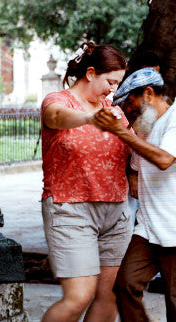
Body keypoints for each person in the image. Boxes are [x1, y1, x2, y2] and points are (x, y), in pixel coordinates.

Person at [92, 68, 176, 322]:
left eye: (130, 102)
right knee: (125, 286)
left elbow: (164, 159)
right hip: (148, 228)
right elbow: (135, 164)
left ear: (149, 93)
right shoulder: (145, 127)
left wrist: (121, 132)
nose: (128, 109)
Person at [40, 42, 132, 322]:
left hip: (116, 213)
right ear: (91, 73)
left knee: (109, 294)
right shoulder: (59, 101)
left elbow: (131, 147)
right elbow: (56, 117)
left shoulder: (112, 109)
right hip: (71, 210)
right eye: (110, 81)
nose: (113, 90)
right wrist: (90, 117)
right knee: (79, 297)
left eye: (118, 83)